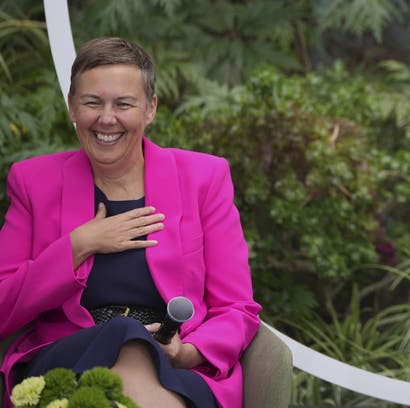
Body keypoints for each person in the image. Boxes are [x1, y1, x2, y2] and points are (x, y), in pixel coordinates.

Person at [0, 37, 261, 408]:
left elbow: (236, 308)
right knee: (123, 333)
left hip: (177, 366)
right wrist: (78, 246)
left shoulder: (204, 178)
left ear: (150, 108)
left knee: (133, 342)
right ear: (72, 107)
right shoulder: (33, 182)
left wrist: (186, 352)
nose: (107, 118)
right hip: (68, 357)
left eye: (124, 104)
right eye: (92, 102)